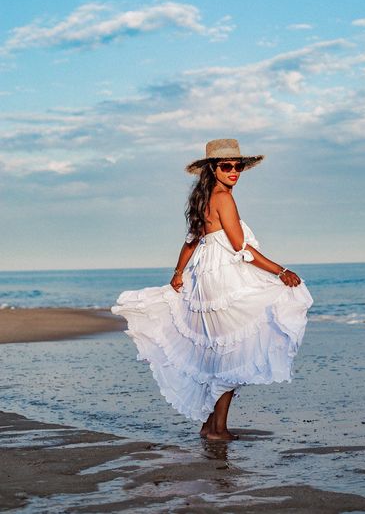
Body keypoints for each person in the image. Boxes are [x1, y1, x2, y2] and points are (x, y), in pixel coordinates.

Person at [111, 138, 314, 441]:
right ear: (213, 168)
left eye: (238, 166)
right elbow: (239, 246)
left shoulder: (203, 197)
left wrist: (178, 273)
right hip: (224, 279)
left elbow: (192, 240)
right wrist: (281, 271)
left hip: (205, 276)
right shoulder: (223, 198)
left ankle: (211, 426)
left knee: (219, 352)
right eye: (227, 166)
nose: (235, 171)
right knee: (232, 353)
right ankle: (217, 429)